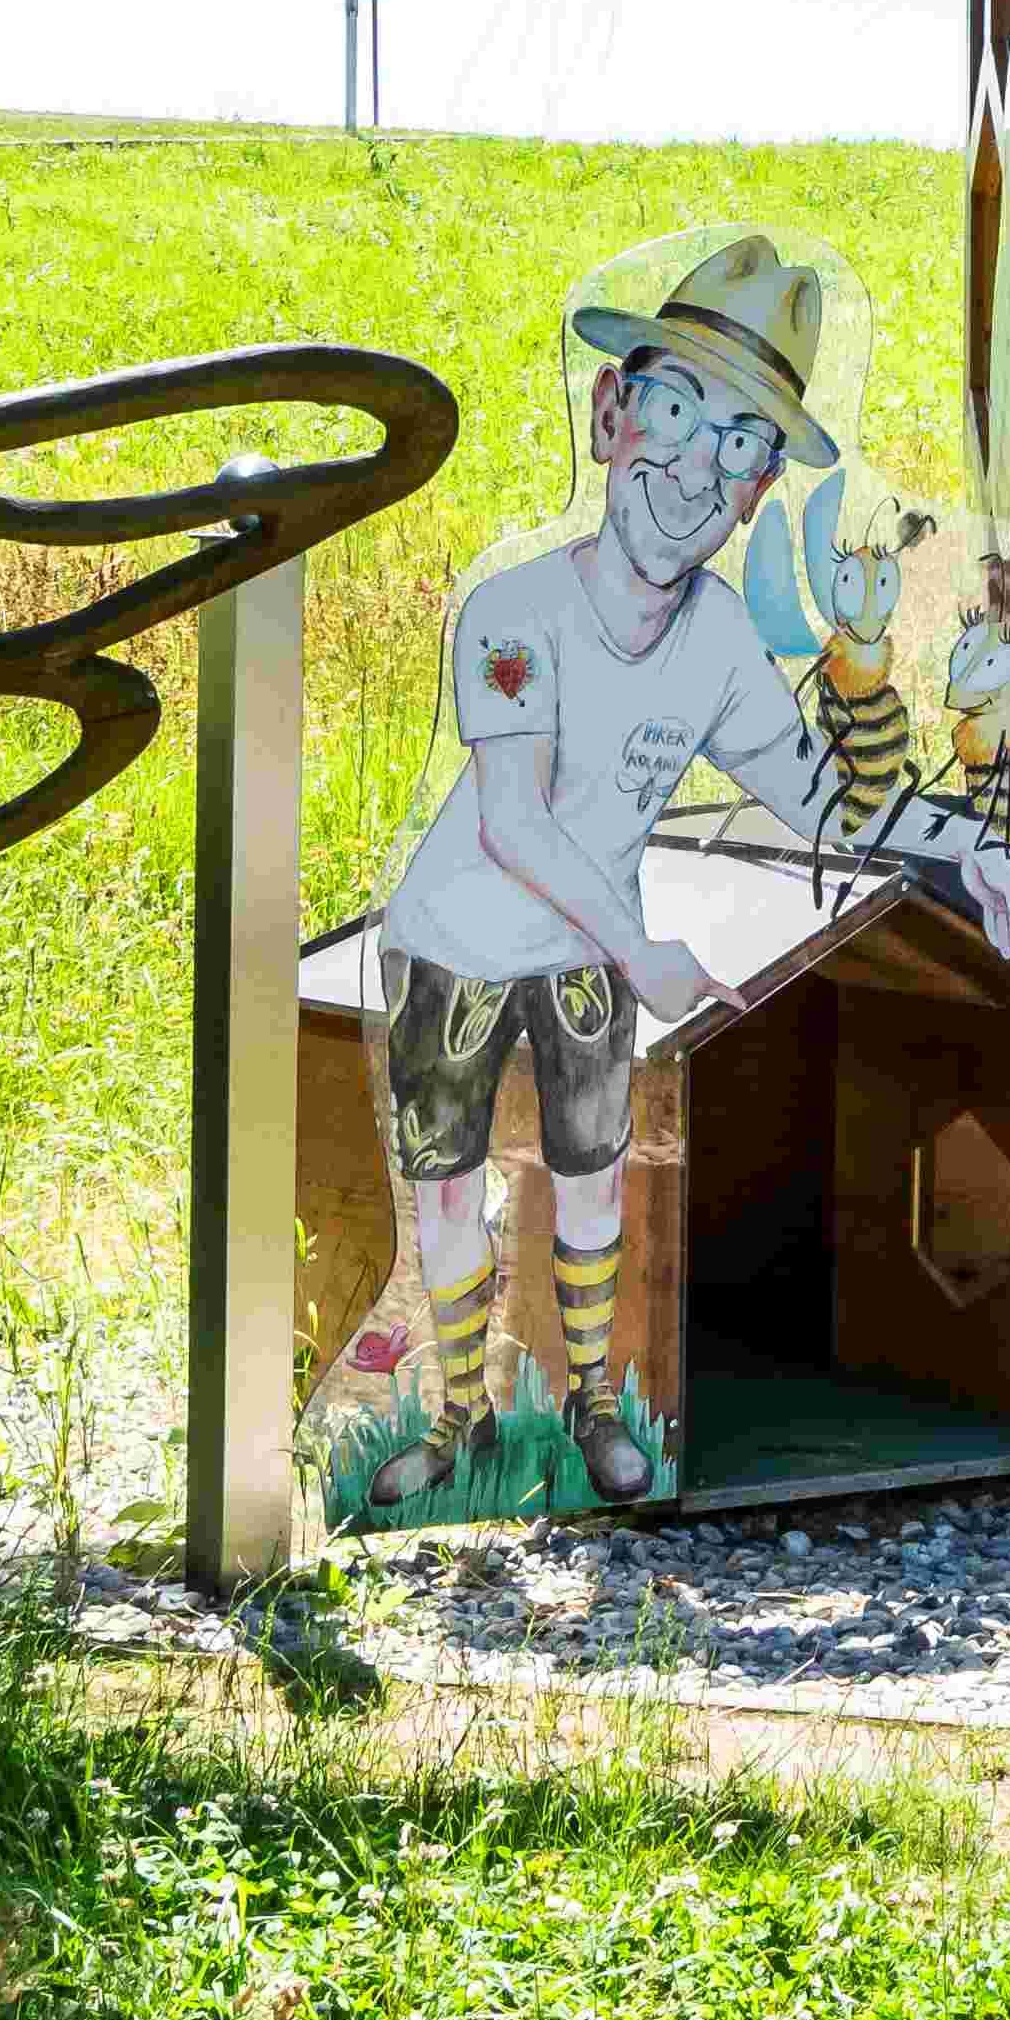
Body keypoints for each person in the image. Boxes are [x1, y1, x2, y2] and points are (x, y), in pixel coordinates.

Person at [323, 233, 850, 1521]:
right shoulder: (510, 612)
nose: (696, 465)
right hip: (457, 941)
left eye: (742, 442)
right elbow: (515, 819)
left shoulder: (720, 639)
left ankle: (597, 1403)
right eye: (675, 411)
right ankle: (456, 1418)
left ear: (759, 490)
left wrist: (977, 842)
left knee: (593, 1176)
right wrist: (644, 948)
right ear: (613, 415)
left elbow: (822, 795)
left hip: (587, 955)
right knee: (448, 1184)